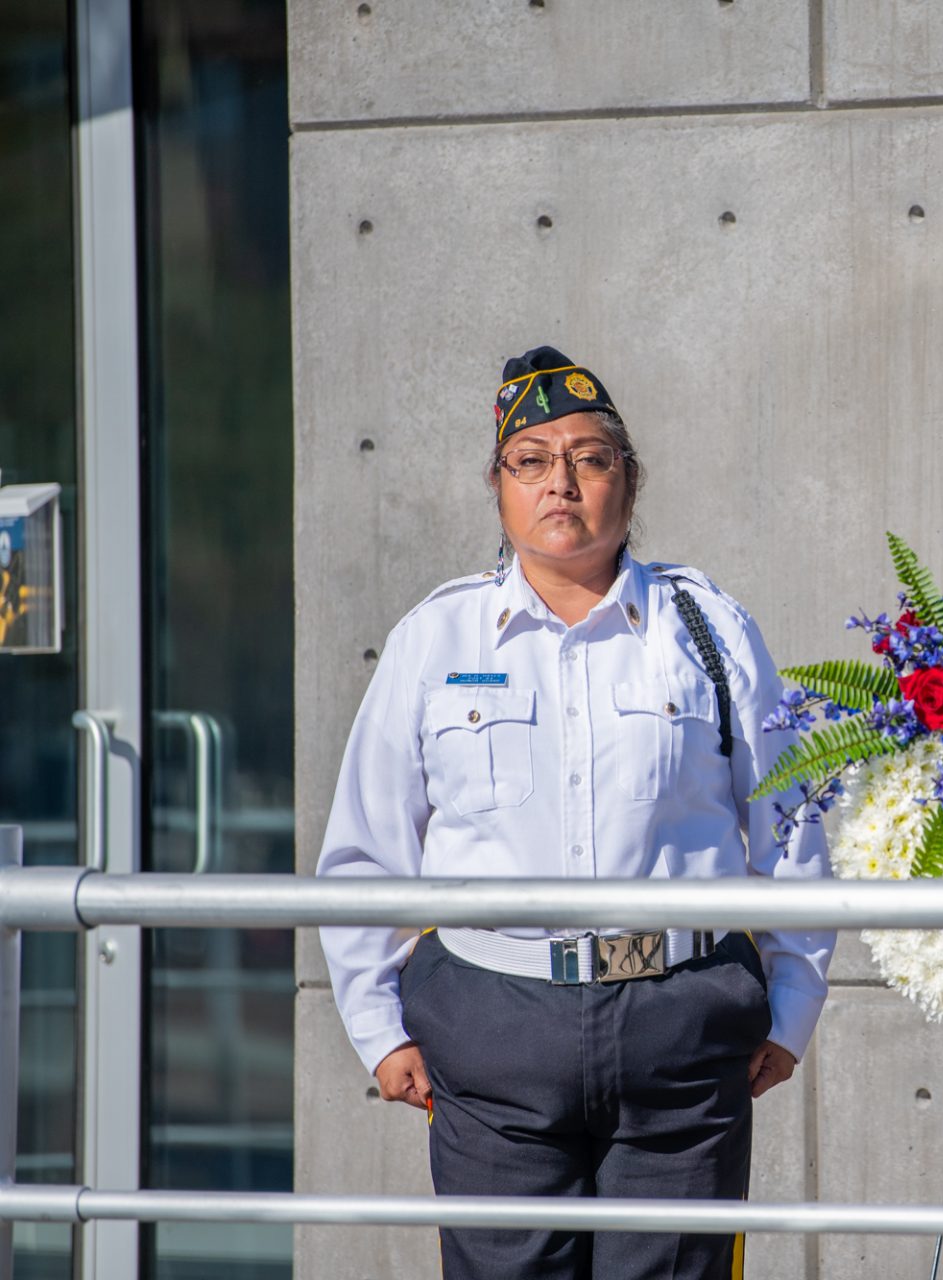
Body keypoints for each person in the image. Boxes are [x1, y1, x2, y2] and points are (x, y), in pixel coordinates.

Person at [317, 346, 833, 1279]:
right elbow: (367, 846)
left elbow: (788, 827)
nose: (563, 482)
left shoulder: (709, 629)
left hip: (680, 1025)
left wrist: (792, 1005)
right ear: (500, 486)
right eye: (533, 461)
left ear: (629, 484)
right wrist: (377, 1025)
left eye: (592, 458)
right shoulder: (437, 637)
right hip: (494, 1024)